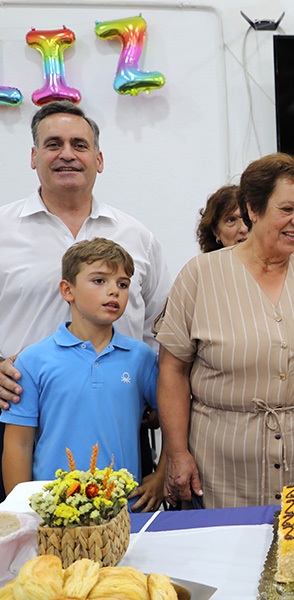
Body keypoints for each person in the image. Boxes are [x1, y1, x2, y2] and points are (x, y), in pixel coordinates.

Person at [156, 153, 294, 508]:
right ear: (253, 209)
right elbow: (172, 370)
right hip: (224, 468)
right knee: (230, 558)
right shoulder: (200, 276)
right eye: (287, 210)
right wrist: (176, 452)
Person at [0, 100, 170, 501]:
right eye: (53, 143)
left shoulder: (137, 236)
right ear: (33, 156)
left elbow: (162, 327)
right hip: (18, 413)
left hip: (118, 422)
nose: (66, 154)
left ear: (99, 158)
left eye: (79, 144)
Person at [1, 239, 162, 511]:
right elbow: (18, 442)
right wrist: (22, 510)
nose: (114, 291)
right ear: (67, 290)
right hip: (53, 512)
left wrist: (162, 475)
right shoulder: (33, 360)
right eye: (100, 281)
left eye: (122, 284)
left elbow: (175, 417)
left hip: (122, 511)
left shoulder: (142, 358)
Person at [196, 185, 249, 253]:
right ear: (215, 231)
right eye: (231, 220)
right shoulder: (203, 263)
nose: (244, 229)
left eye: (247, 217)